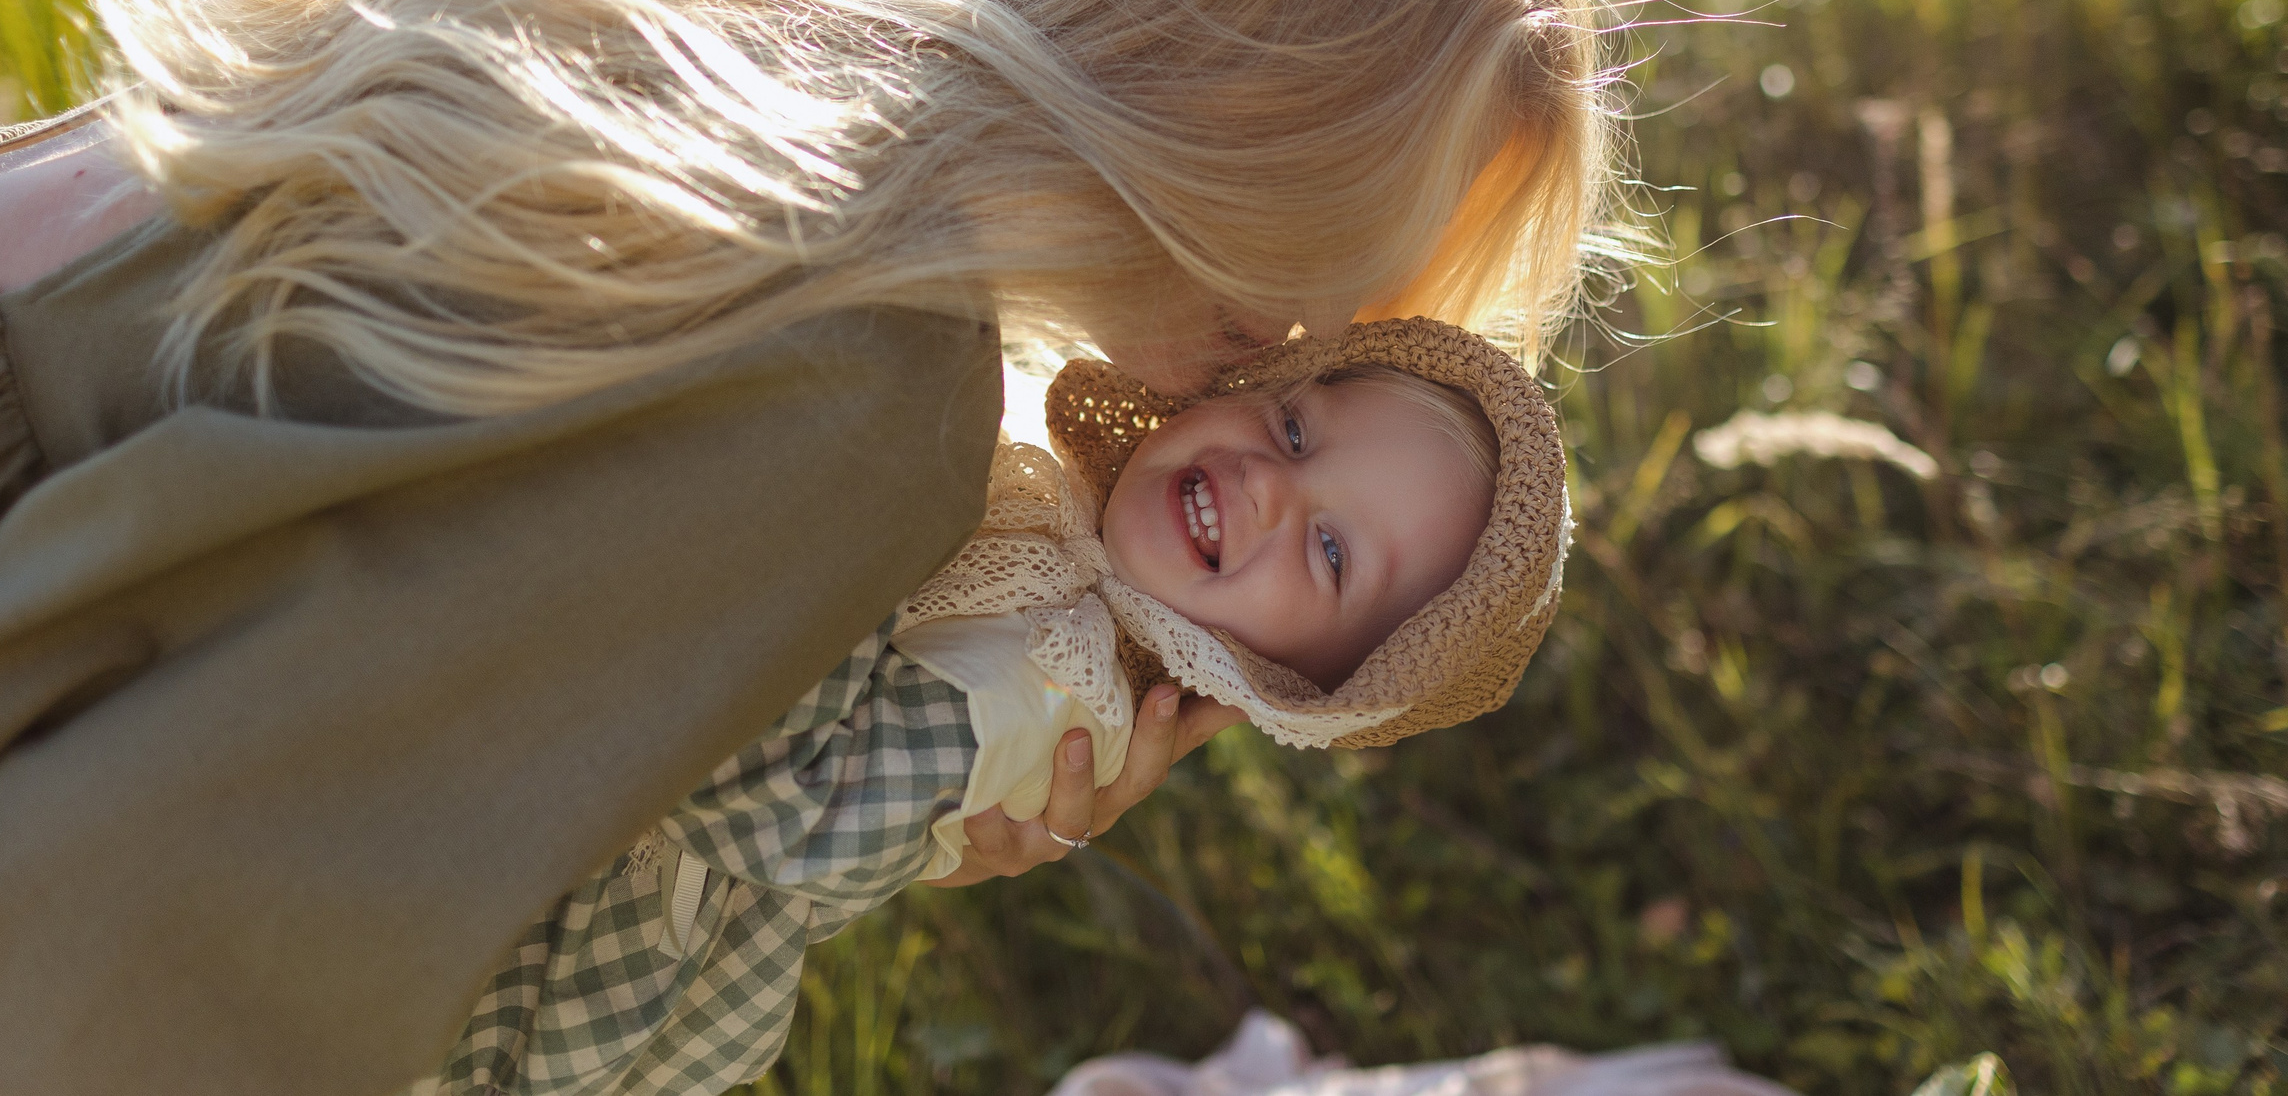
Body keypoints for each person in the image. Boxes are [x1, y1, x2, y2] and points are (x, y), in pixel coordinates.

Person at [0, 0, 1624, 1096]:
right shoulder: (861, 380)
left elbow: (390, 619)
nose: (1295, 353)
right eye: (1329, 313)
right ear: (1257, 140)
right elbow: (155, 911)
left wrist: (879, 761)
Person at [415, 318, 1568, 1096]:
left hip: (550, 959)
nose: (1269, 484)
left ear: (1307, 686)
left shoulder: (1060, 686)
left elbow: (800, 807)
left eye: (1326, 551)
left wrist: (821, 533)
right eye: (1295, 429)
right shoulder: (1049, 528)